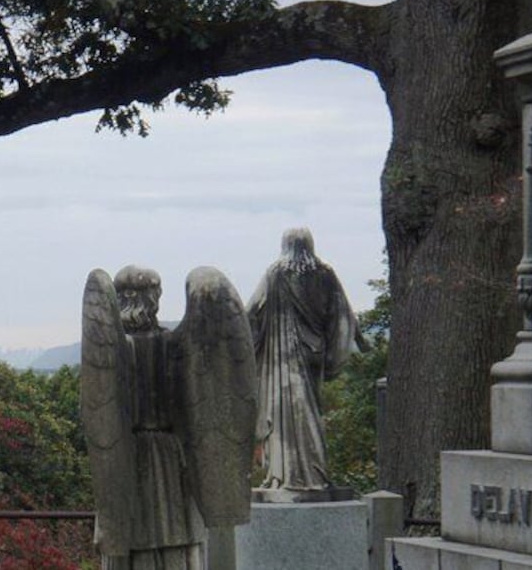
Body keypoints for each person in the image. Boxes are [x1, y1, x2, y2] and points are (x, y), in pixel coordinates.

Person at [82, 265, 257, 569]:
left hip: (128, 456)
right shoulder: (177, 346)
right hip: (172, 458)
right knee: (176, 536)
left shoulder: (118, 348)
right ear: (155, 298)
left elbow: (96, 411)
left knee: (131, 538)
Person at [247, 228, 358, 491]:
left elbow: (250, 312)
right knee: (310, 412)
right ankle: (314, 472)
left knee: (284, 412)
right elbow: (342, 317)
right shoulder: (325, 274)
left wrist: (255, 348)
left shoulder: (276, 273)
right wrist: (333, 356)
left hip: (281, 360)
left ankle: (285, 473)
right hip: (314, 355)